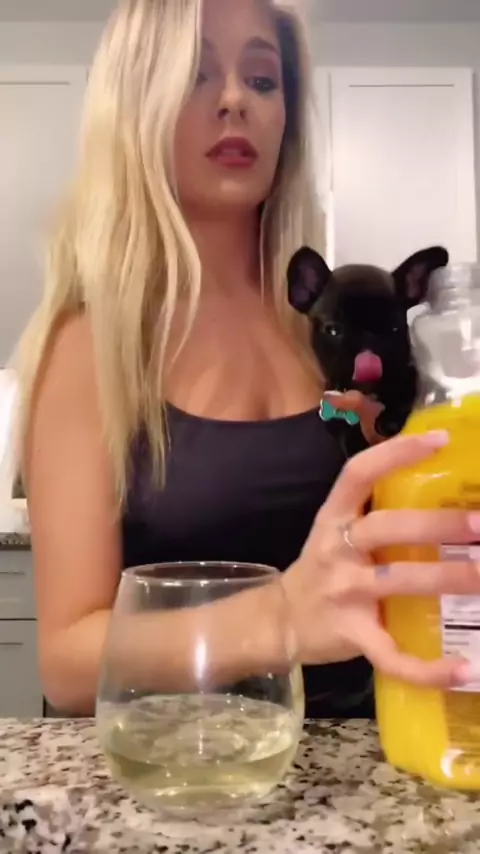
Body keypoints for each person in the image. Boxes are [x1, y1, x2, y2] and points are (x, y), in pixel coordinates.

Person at [16, 0, 480, 717]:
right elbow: (69, 666)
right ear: (134, 107)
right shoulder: (89, 343)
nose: (235, 99)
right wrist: (281, 616)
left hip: (373, 750)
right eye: (194, 75)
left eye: (262, 80)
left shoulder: (332, 330)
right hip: (187, 763)